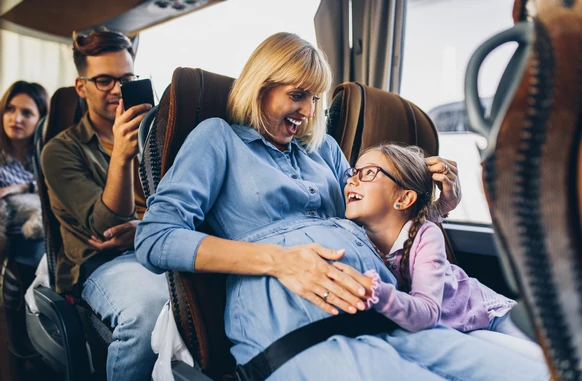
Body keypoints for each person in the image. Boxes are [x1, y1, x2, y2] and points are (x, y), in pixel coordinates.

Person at [135, 32, 549, 380]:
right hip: (297, 319)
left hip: (385, 310)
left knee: (538, 372)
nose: (307, 112)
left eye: (315, 99)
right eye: (297, 95)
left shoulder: (325, 150)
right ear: (260, 86)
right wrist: (279, 261)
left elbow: (378, 212)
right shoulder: (218, 139)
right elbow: (154, 238)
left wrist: (439, 209)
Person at [336, 142, 544, 361]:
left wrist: (377, 293)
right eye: (354, 172)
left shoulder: (424, 234)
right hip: (459, 329)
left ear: (404, 199)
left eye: (369, 173)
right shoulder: (355, 239)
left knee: (549, 360)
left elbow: (427, 310)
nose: (352, 180)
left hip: (487, 313)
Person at [40, 29, 168, 381]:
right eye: (104, 80)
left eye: (125, 79)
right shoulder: (60, 151)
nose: (116, 89)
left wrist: (147, 231)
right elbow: (105, 225)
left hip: (160, 244)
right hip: (103, 261)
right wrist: (122, 156)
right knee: (147, 313)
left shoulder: (158, 134)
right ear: (81, 87)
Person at [0, 80, 48, 268]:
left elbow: (56, 189)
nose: (16, 119)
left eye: (26, 113)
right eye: (10, 109)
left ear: (41, 119)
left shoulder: (48, 155)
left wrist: (24, 187)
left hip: (38, 234)